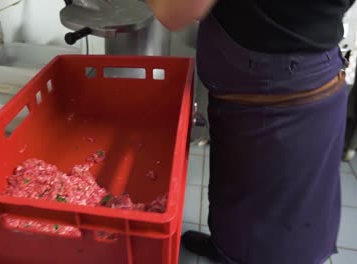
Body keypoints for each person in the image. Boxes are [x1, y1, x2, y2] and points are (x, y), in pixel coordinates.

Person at [147, 0, 354, 263]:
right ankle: (225, 248)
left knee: (276, 226)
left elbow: (174, 11)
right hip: (285, 77)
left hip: (279, 94)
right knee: (237, 196)